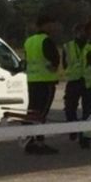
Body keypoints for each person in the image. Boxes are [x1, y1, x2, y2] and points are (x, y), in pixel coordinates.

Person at [22, 17, 64, 155]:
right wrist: (53, 68)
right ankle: (40, 142)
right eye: (51, 24)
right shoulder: (46, 40)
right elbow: (54, 59)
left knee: (32, 111)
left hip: (32, 80)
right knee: (41, 113)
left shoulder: (29, 41)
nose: (53, 27)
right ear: (45, 25)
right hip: (45, 81)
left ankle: (29, 140)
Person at [62, 24, 88, 140]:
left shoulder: (90, 45)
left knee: (87, 107)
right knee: (70, 107)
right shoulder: (68, 46)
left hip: (86, 80)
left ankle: (84, 131)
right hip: (74, 80)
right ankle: (73, 130)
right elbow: (65, 63)